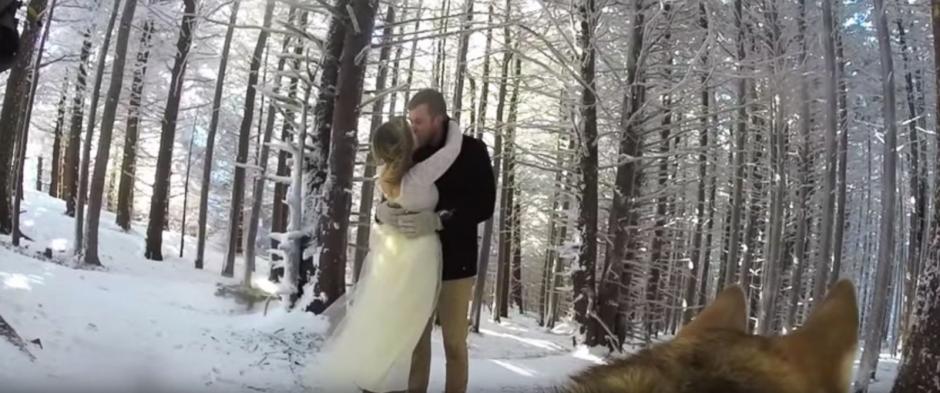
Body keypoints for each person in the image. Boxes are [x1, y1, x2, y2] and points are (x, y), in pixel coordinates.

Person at [307, 109, 472, 392]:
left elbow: (387, 206)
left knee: (395, 323)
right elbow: (451, 151)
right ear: (407, 145)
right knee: (412, 328)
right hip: (419, 255)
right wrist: (451, 124)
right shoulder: (419, 176)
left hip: (393, 253)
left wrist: (385, 211)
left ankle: (380, 378)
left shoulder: (385, 174)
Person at [376, 89, 496, 393]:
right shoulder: (408, 151)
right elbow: (390, 193)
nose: (412, 127)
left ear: (437, 119)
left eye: (418, 121)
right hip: (414, 263)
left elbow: (484, 204)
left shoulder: (473, 151)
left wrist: (439, 219)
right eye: (410, 120)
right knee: (417, 340)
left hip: (457, 263)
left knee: (455, 343)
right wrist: (382, 214)